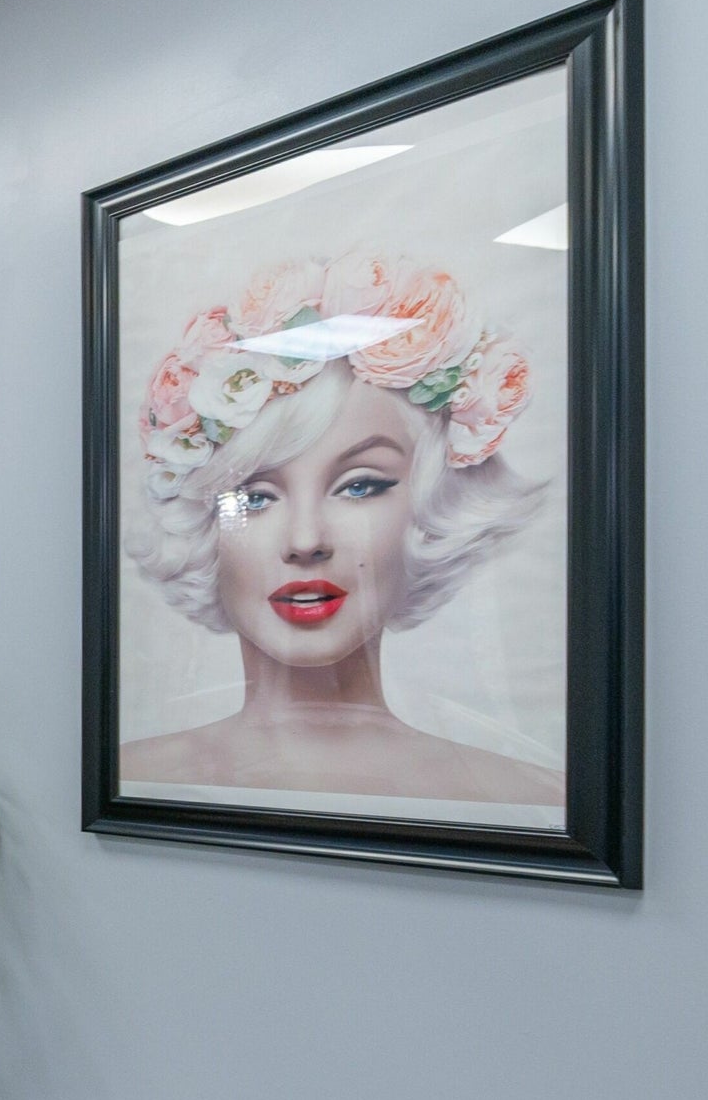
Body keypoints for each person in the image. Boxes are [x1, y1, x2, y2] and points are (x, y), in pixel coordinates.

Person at [120, 251, 554, 805]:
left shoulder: (530, 801)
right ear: (202, 524)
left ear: (432, 507)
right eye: (254, 496)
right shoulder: (130, 782)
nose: (306, 541)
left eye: (360, 486)